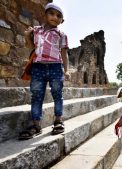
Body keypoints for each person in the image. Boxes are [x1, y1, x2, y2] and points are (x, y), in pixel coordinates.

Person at [19, 3, 70, 140]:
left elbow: (64, 53)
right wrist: (27, 36)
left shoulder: (61, 34)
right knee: (36, 96)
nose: (55, 17)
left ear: (62, 21)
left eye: (59, 16)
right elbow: (32, 48)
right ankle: (36, 125)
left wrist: (66, 70)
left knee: (57, 94)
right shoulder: (36, 31)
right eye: (51, 13)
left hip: (55, 67)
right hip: (38, 68)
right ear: (45, 15)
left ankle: (58, 121)